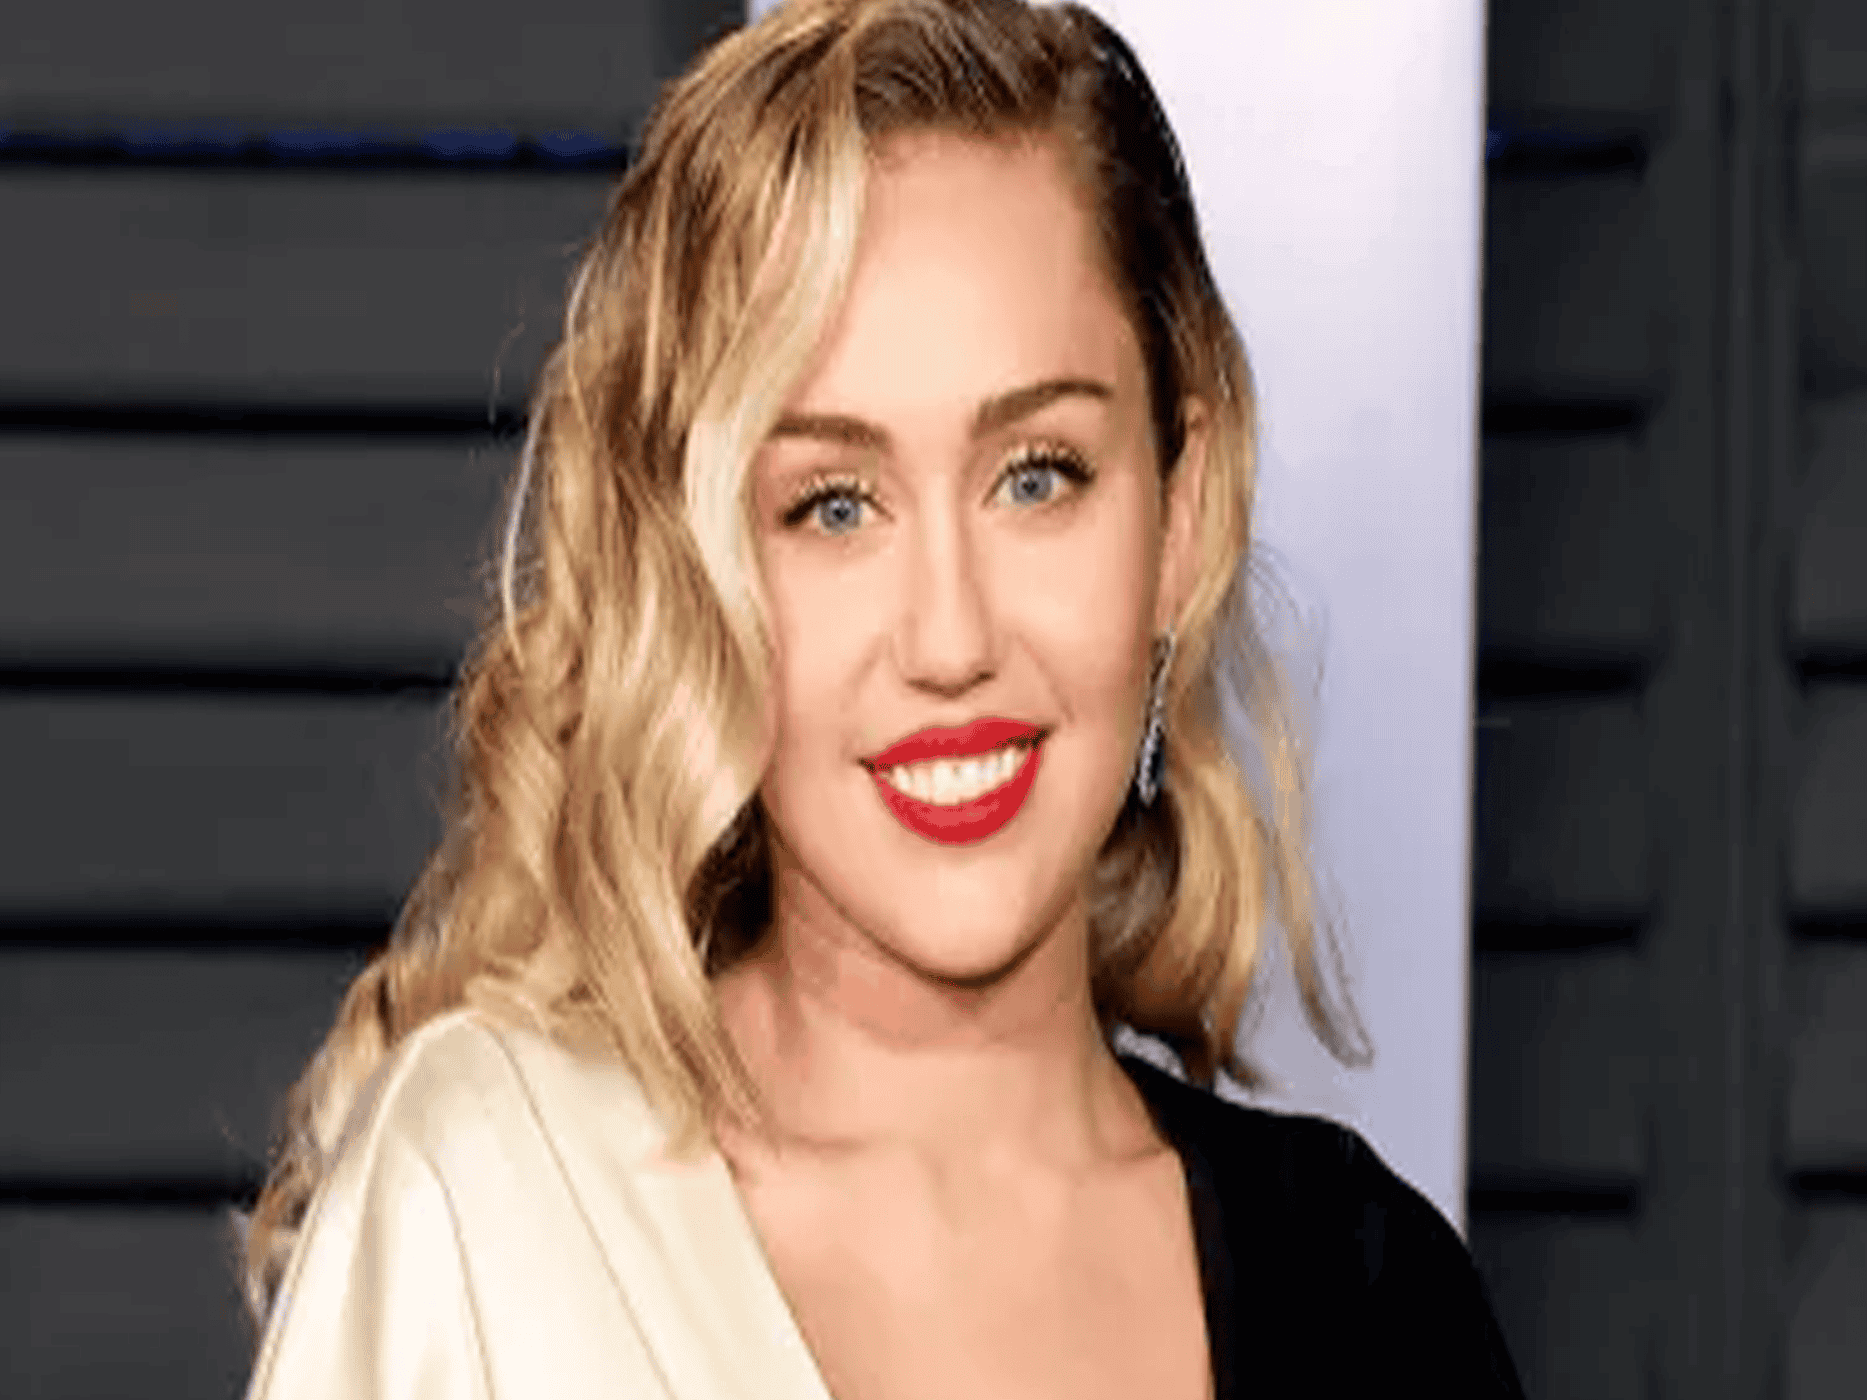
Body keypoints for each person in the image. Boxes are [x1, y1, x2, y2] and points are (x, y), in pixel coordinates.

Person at [241, 1, 1526, 1396]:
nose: (950, 638)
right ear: (696, 571)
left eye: (1036, 476)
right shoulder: (487, 1211)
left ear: (1182, 512)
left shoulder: (1374, 1301)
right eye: (834, 505)